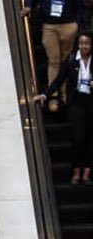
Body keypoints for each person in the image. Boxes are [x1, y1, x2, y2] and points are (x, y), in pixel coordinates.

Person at [36, 29, 93, 184]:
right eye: (81, 43)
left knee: (89, 139)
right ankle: (76, 171)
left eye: (87, 43)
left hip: (90, 102)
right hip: (76, 103)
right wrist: (45, 94)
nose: (84, 46)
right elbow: (59, 80)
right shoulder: (72, 60)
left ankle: (86, 173)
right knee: (77, 138)